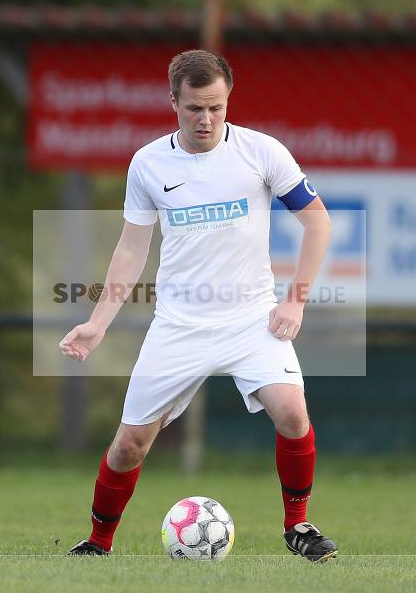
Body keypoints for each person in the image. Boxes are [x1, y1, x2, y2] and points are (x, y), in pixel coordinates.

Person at [60, 49, 336, 562]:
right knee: (129, 446)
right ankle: (99, 544)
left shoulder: (262, 152)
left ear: (228, 100)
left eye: (216, 107)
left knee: (293, 414)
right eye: (194, 109)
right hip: (179, 325)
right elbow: (132, 247)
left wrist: (295, 303)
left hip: (252, 319)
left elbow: (318, 222)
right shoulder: (148, 164)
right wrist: (98, 323)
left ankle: (298, 526)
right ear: (173, 103)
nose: (206, 119)